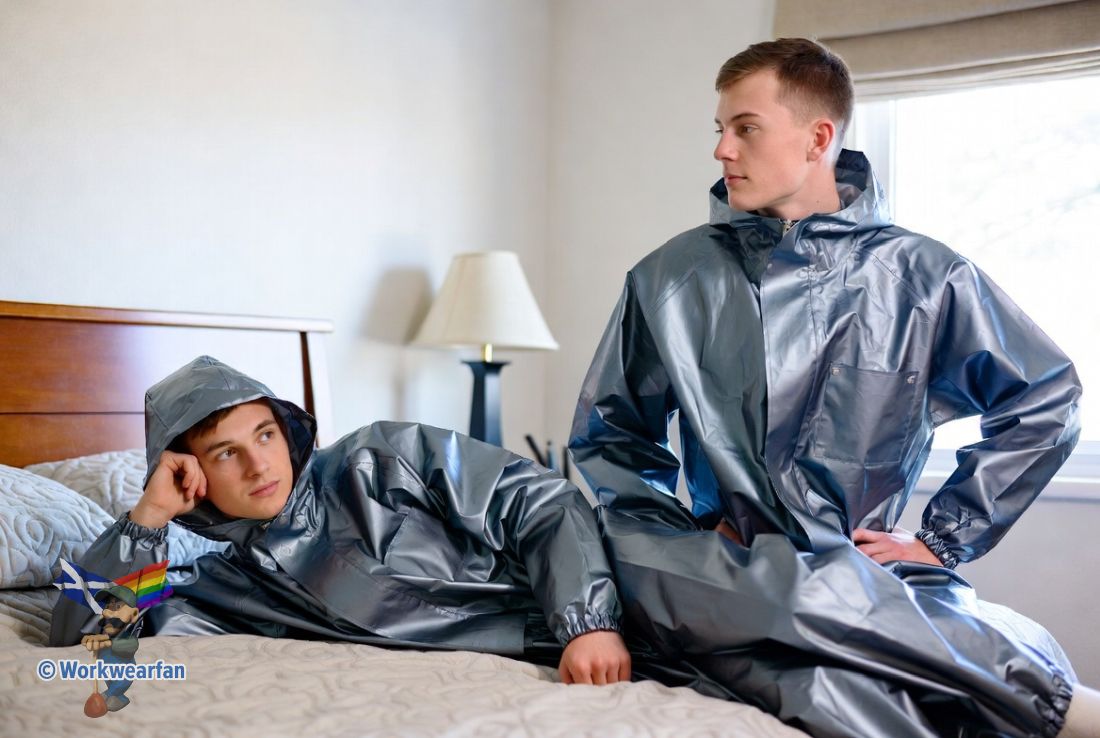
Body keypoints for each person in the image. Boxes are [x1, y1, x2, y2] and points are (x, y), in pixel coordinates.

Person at [569, 37, 1100, 737]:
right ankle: (1062, 706)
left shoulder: (925, 277)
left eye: (746, 128)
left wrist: (943, 540)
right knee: (790, 608)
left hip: (860, 573)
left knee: (834, 685)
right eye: (720, 129)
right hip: (717, 566)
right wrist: (680, 546)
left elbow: (1046, 398)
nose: (722, 150)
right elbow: (611, 437)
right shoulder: (669, 278)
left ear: (819, 138)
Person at [52, 355, 631, 687]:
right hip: (576, 658)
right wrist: (148, 518)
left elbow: (539, 501)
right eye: (226, 453)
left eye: (265, 435)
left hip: (622, 576)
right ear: (191, 476)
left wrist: (588, 623)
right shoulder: (222, 588)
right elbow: (84, 638)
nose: (259, 465)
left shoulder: (378, 458)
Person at [81, 585, 142, 713]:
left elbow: (129, 646)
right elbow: (103, 639)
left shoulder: (128, 638)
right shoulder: (105, 634)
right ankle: (115, 697)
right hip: (107, 671)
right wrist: (93, 640)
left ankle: (109, 695)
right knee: (111, 686)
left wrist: (106, 643)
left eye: (117, 607)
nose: (106, 612)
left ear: (134, 614)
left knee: (116, 686)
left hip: (123, 674)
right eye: (107, 606)